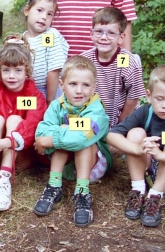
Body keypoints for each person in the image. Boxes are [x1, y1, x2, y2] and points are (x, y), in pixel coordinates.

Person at [106, 65, 165, 228]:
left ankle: (154, 196)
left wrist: (161, 155)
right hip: (146, 173)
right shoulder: (145, 112)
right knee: (135, 133)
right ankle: (137, 190)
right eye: (160, 99)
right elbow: (111, 135)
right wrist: (136, 148)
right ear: (149, 96)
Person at [32, 56, 112, 227]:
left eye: (86, 85)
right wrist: (57, 133)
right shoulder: (56, 105)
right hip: (67, 166)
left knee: (81, 141)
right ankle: (54, 185)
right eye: (73, 84)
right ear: (62, 85)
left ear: (94, 88)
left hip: (93, 166)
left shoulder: (96, 109)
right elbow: (42, 130)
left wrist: (53, 136)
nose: (79, 91)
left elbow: (81, 138)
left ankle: (82, 192)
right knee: (64, 136)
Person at [0, 34, 47, 212]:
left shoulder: (33, 95)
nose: (11, 76)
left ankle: (4, 179)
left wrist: (3, 143)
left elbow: (32, 124)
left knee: (14, 119)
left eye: (18, 70)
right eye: (6, 70)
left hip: (18, 153)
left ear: (27, 71)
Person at [80, 7, 146, 128]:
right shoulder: (85, 60)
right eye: (99, 31)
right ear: (91, 34)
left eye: (111, 33)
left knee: (133, 137)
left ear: (121, 37)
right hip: (92, 118)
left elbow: (133, 95)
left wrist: (121, 123)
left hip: (126, 117)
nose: (104, 37)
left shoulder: (126, 61)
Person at [22, 0, 69, 103]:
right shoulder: (21, 39)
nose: (44, 17)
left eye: (50, 14)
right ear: (27, 11)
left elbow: (53, 70)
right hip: (27, 92)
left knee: (48, 120)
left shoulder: (49, 35)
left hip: (49, 92)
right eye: (39, 10)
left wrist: (49, 100)